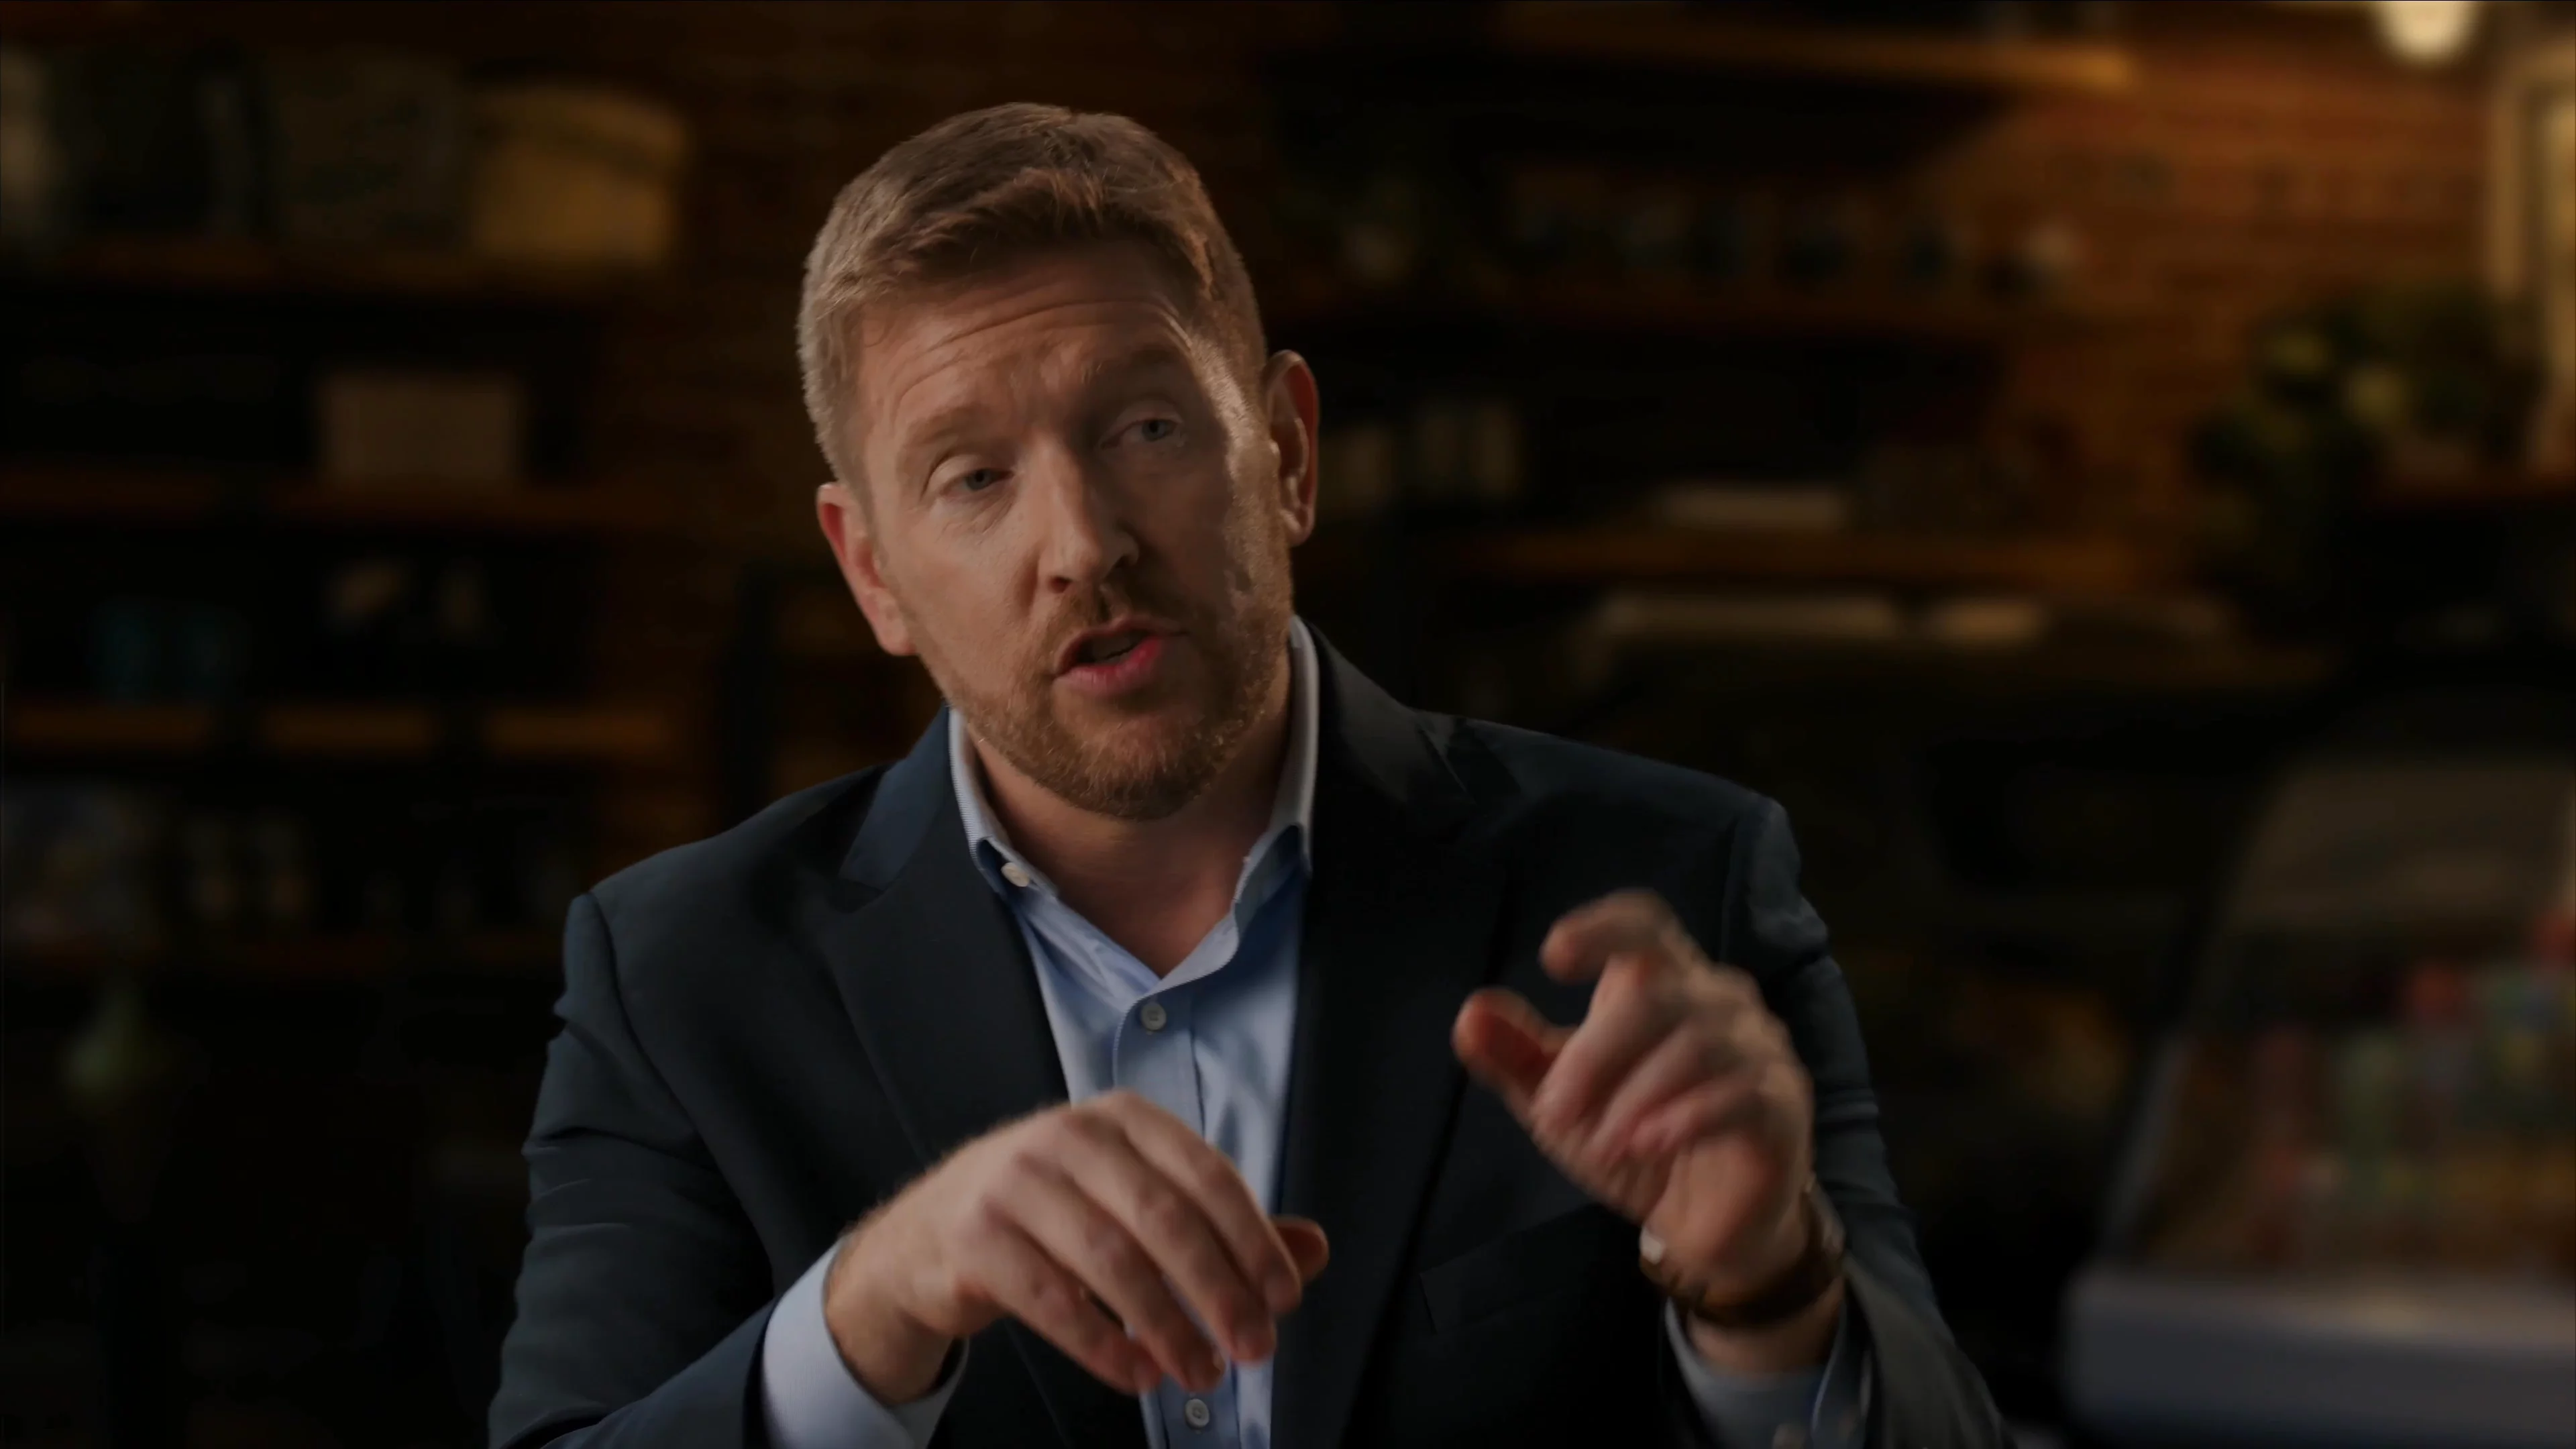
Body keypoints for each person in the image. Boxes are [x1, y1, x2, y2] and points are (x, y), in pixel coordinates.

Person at [490, 103, 2004, 1449]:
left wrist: (1767, 1291)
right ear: (872, 571)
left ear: (1287, 452)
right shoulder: (678, 977)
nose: (1084, 544)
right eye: (974, 477)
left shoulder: (1680, 889)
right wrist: (874, 1303)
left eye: (1147, 427)